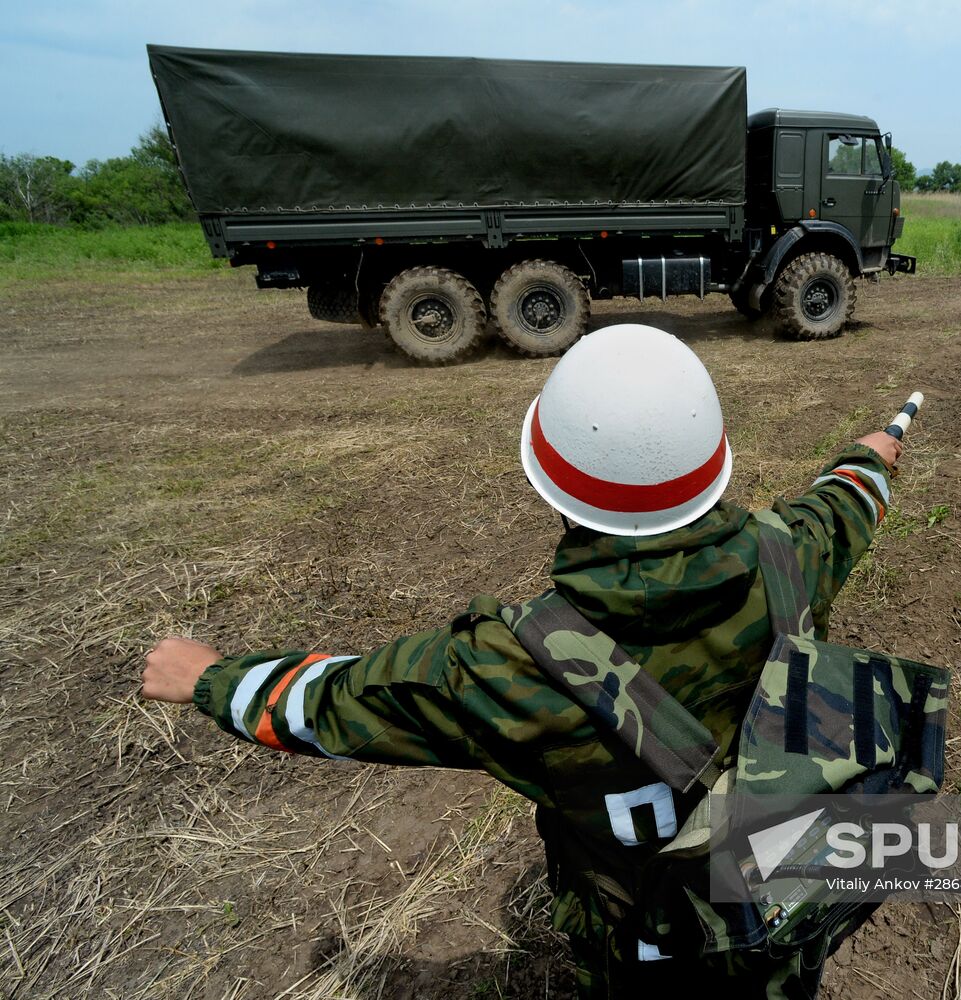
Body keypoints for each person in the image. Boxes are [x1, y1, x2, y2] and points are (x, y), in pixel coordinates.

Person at [142, 323, 904, 998]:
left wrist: (209, 678)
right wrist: (870, 454)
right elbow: (846, 500)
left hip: (641, 952)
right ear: (711, 470)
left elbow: (332, 702)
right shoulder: (791, 553)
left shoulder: (506, 667)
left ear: (554, 488)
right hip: (781, 910)